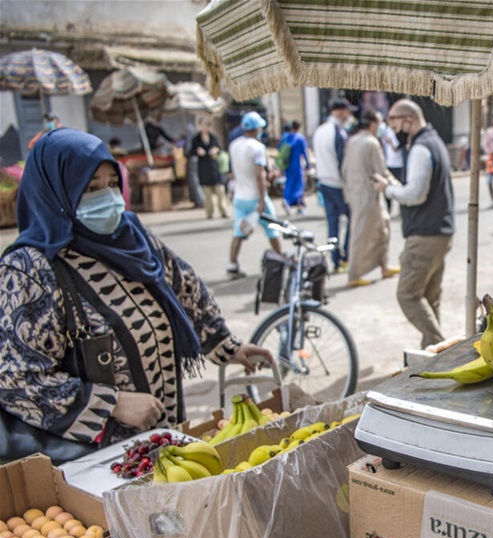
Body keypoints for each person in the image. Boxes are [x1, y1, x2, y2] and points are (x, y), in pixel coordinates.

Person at [0, 128, 272, 459]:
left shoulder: (132, 237)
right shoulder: (31, 269)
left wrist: (226, 345)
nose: (108, 198)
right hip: (96, 459)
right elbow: (16, 378)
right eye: (91, 188)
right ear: (56, 191)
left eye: (113, 184)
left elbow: (185, 288)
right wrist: (109, 404)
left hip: (166, 435)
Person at [373, 99, 455, 349]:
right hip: (440, 232)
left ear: (407, 119)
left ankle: (440, 347)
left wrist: (388, 190)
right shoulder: (434, 141)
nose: (391, 129)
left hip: (426, 235)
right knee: (430, 298)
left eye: (393, 122)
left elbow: (416, 194)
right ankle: (431, 352)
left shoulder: (421, 147)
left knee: (408, 294)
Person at [342, 109, 400, 287]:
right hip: (369, 194)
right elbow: (381, 171)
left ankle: (384, 266)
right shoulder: (371, 142)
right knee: (363, 234)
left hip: (356, 193)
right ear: (373, 124)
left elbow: (344, 169)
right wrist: (399, 187)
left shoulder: (353, 140)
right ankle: (354, 274)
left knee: (382, 228)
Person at [227, 111, 282, 277]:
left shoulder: (234, 145)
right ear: (258, 128)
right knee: (272, 229)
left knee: (239, 231)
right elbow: (260, 175)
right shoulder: (257, 148)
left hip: (239, 195)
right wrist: (262, 199)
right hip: (255, 196)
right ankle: (280, 259)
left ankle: (232, 264)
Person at [312, 99, 358, 274]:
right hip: (338, 184)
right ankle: (346, 257)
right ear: (340, 112)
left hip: (324, 182)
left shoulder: (319, 131)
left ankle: (336, 259)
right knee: (353, 218)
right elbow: (343, 162)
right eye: (347, 112)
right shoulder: (338, 133)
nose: (349, 116)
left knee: (333, 223)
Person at [188, 117, 229, 219]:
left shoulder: (213, 137)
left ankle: (223, 211)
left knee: (220, 191)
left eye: (206, 126)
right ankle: (209, 213)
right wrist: (198, 151)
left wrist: (216, 151)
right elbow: (190, 152)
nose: (204, 128)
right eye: (202, 126)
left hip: (214, 166)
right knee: (208, 193)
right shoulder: (196, 139)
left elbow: (219, 148)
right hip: (203, 167)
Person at [278, 121, 309, 215]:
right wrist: (308, 164)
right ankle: (299, 206)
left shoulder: (285, 137)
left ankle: (286, 200)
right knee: (299, 185)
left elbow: (279, 150)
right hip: (297, 164)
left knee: (289, 183)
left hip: (287, 165)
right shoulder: (300, 138)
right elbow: (305, 152)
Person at [381, 123, 404, 215]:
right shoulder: (386, 131)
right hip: (389, 164)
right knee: (388, 186)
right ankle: (388, 209)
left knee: (400, 187)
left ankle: (401, 209)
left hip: (399, 164)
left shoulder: (399, 133)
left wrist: (390, 142)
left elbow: (397, 148)